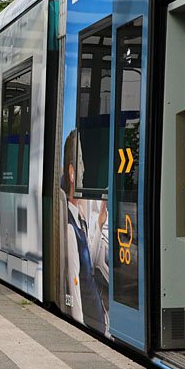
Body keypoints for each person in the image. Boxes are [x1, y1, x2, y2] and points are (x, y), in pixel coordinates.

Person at [61, 130, 109, 334]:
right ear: (72, 173)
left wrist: (99, 223)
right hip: (92, 322)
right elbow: (75, 287)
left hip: (100, 319)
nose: (85, 168)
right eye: (81, 162)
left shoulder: (81, 219)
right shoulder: (71, 228)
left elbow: (90, 260)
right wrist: (80, 327)